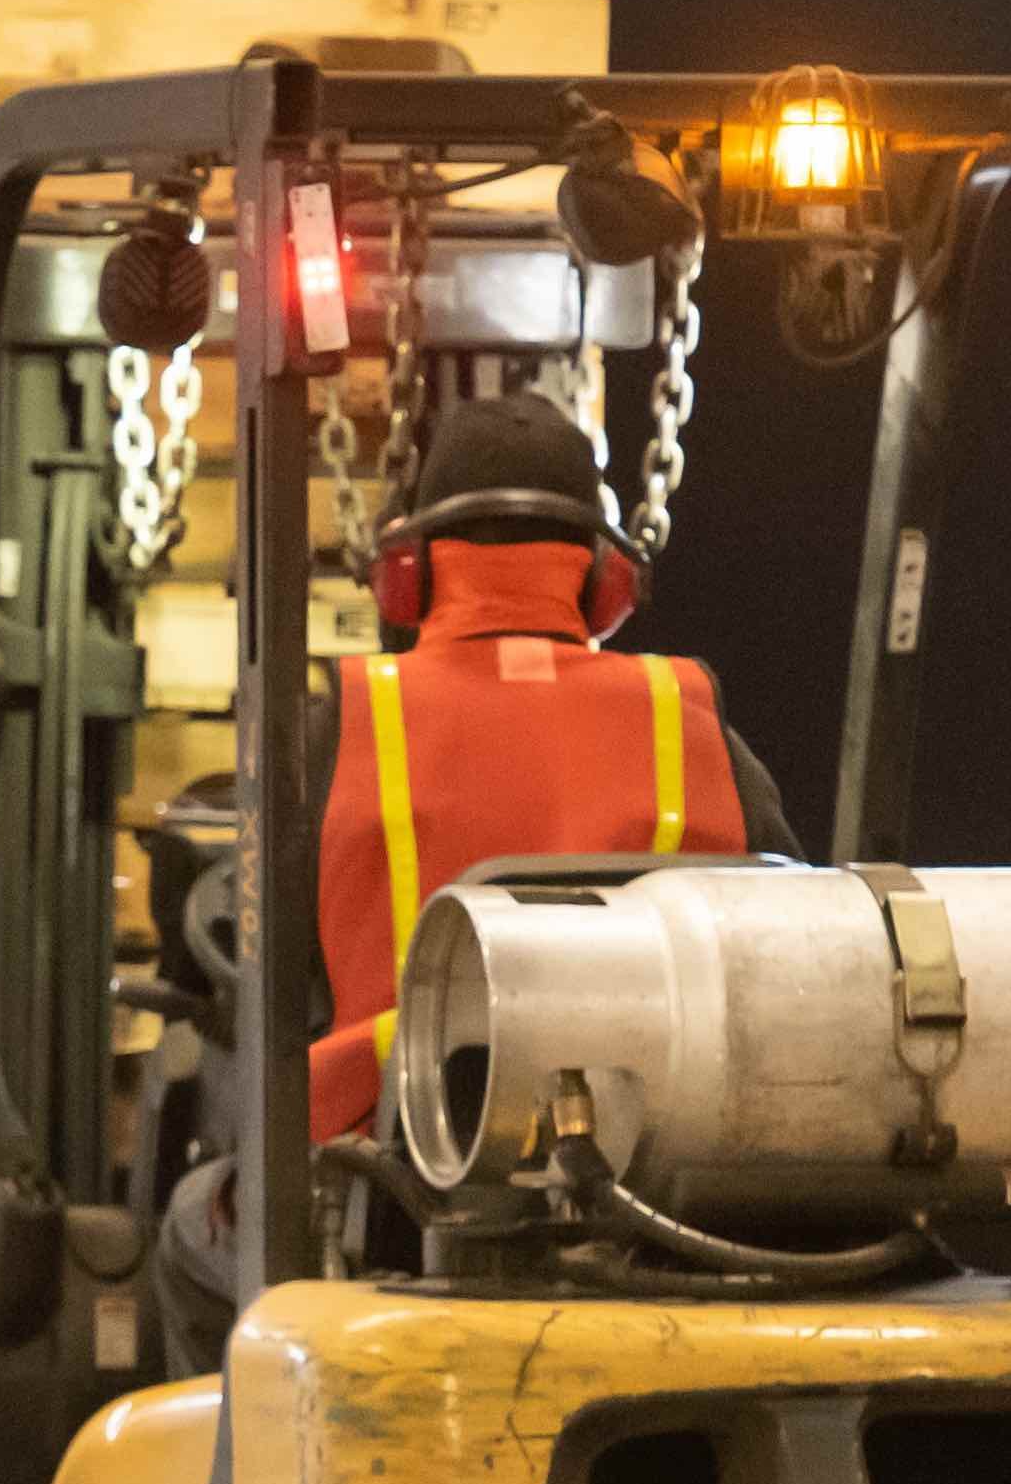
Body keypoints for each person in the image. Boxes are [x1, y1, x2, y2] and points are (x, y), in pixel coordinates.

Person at [305, 391, 800, 1145]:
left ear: (412, 570)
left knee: (190, 1227)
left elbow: (257, 962)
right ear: (605, 578)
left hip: (390, 1182)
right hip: (658, 1175)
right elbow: (797, 944)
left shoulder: (351, 723)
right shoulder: (688, 715)